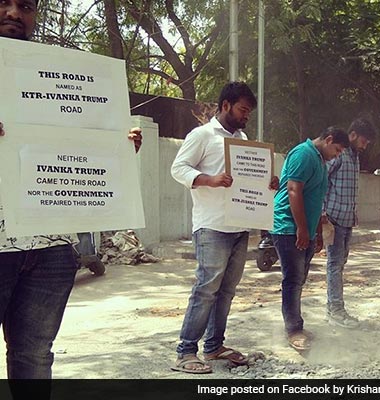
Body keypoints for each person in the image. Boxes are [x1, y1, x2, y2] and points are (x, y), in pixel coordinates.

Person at [0, 0, 142, 381]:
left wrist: (117, 147)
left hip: (52, 248)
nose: (14, 12)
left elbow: (77, 140)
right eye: (4, 3)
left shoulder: (57, 71)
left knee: (34, 357)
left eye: (24, 5)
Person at [170, 81, 277, 374]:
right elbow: (178, 168)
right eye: (243, 110)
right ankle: (186, 351)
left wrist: (268, 183)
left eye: (249, 112)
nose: (246, 116)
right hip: (212, 226)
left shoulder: (241, 139)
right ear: (226, 105)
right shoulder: (202, 135)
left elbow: (248, 180)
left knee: (227, 290)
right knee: (206, 288)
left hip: (240, 225)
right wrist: (210, 179)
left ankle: (214, 346)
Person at [271, 127, 350, 352]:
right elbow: (294, 190)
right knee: (293, 280)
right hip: (288, 227)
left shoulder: (319, 161)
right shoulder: (304, 154)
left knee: (299, 279)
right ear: (328, 139)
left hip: (303, 228)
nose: (337, 155)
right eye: (336, 149)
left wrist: (315, 232)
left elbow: (314, 199)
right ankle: (294, 330)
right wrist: (302, 230)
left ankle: (296, 325)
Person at [323, 118, 376, 328]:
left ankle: (334, 307)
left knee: (340, 264)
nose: (365, 146)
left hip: (347, 221)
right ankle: (335, 310)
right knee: (334, 265)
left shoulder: (355, 157)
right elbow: (322, 181)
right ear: (353, 135)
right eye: (364, 141)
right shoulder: (338, 154)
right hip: (333, 219)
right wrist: (322, 215)